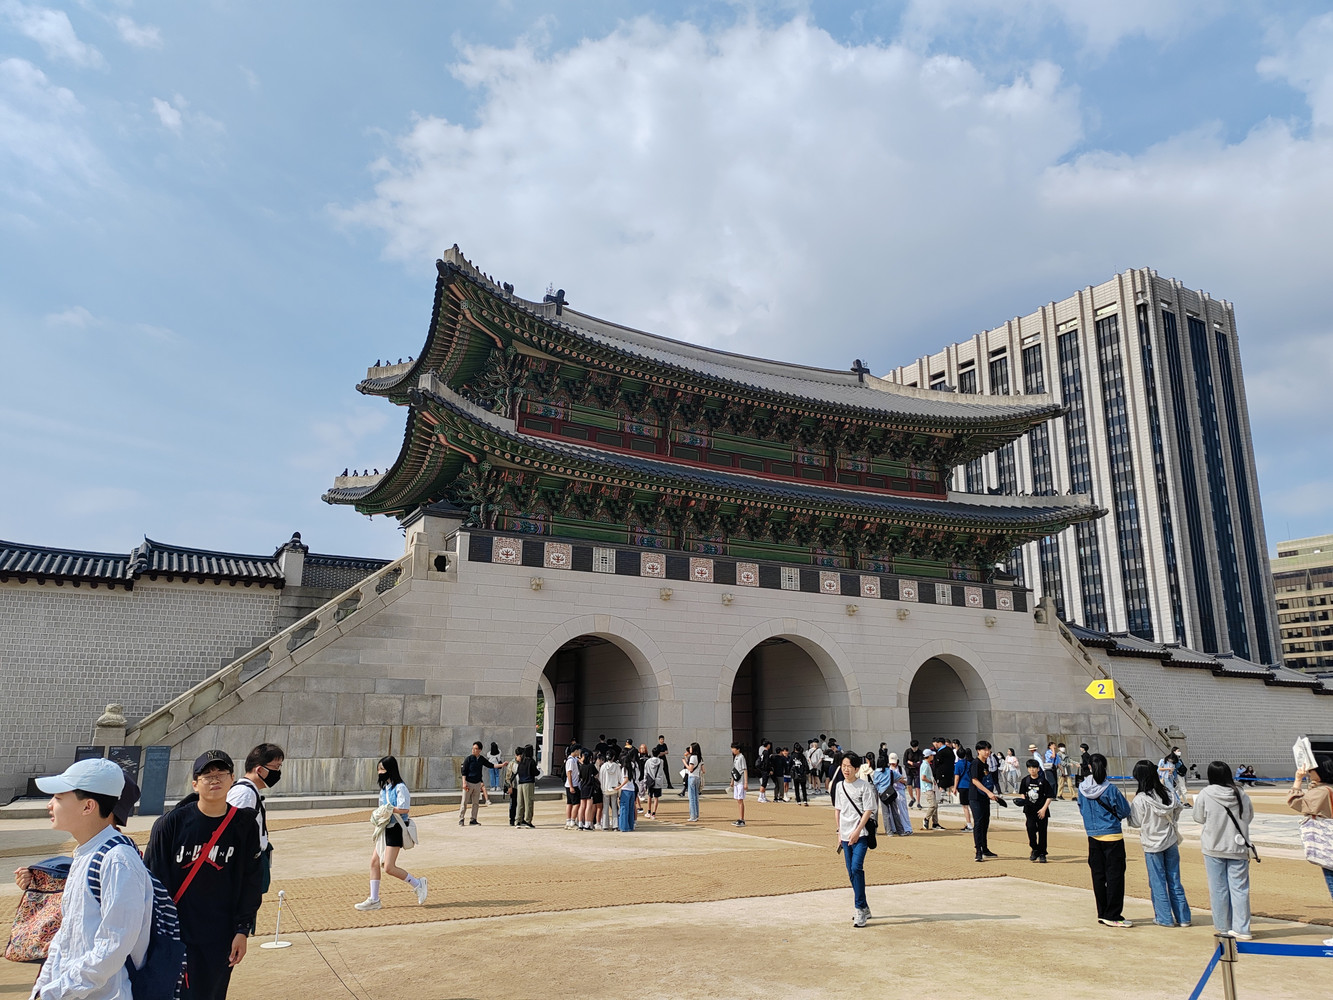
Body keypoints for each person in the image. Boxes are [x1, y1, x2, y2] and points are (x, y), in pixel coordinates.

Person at [29, 758, 154, 1000]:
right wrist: (43, 988)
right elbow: (65, 936)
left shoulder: (117, 860)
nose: (49, 805)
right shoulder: (86, 853)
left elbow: (112, 948)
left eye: (59, 797)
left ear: (88, 806)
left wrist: (56, 992)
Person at [146, 750, 262, 999]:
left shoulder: (244, 825)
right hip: (177, 932)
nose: (215, 779)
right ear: (195, 784)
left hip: (221, 934)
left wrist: (242, 929)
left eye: (221, 773)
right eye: (207, 775)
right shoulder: (170, 824)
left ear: (232, 779)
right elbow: (153, 880)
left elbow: (250, 881)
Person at [354, 755, 427, 911]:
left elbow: (405, 809)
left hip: (396, 828)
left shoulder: (400, 787)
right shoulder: (385, 788)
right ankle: (374, 899)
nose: (380, 772)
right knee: (374, 862)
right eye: (379, 769)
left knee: (389, 867)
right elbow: (382, 807)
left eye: (382, 769)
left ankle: (418, 883)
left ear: (390, 769)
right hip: (385, 827)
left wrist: (389, 809)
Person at [1193, 760, 1255, 940]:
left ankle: (1223, 926)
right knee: (1240, 889)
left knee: (1218, 888)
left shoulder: (1205, 793)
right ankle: (1242, 928)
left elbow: (1198, 818)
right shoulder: (1240, 793)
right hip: (1237, 846)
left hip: (1213, 846)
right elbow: (1248, 816)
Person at [1128, 759, 1191, 927]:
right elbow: (1177, 810)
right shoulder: (1168, 793)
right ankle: (1183, 917)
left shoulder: (1140, 799)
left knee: (1157, 882)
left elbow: (1136, 822)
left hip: (1152, 843)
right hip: (1170, 840)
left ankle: (1164, 917)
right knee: (1174, 879)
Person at [226, 741, 283, 926]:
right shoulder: (244, 794)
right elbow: (232, 833)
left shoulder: (251, 792)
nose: (278, 772)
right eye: (276, 767)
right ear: (259, 769)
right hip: (243, 868)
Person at [1076, 752, 1133, 928]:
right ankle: (1113, 914)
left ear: (1089, 767)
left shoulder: (1082, 788)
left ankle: (1102, 912)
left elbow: (1081, 809)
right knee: (1115, 876)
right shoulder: (1110, 789)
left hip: (1093, 835)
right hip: (1112, 835)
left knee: (1098, 875)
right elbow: (1124, 811)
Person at [1287, 756, 1333, 946]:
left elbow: (1296, 803)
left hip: (1328, 845)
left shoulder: (1322, 792)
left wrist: (1298, 780)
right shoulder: (1327, 789)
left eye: (1311, 770)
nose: (1308, 772)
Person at [834, 752, 877, 928]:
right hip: (845, 835)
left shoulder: (864, 786)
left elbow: (868, 810)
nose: (846, 770)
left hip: (861, 835)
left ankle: (859, 909)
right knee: (850, 872)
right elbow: (838, 810)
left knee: (856, 868)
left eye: (849, 767)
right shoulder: (839, 786)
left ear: (857, 769)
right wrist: (839, 832)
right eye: (843, 766)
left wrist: (857, 831)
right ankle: (864, 906)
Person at [969, 742, 1002, 861]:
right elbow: (975, 780)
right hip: (976, 797)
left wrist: (989, 793)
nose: (987, 752)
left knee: (985, 822)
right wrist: (988, 792)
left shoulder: (985, 764)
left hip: (984, 797)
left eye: (988, 750)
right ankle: (978, 851)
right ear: (978, 750)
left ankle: (985, 848)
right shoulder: (975, 763)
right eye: (984, 750)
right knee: (978, 823)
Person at [1015, 758, 1052, 862]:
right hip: (1029, 810)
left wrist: (1044, 809)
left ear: (1038, 769)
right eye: (1030, 768)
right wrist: (1023, 801)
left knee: (1042, 832)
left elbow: (1049, 796)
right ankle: (1035, 849)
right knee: (1030, 828)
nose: (1032, 769)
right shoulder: (1025, 780)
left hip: (1041, 810)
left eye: (1034, 767)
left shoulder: (1043, 781)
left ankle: (1042, 853)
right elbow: (1022, 793)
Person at [459, 741, 503, 826]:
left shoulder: (481, 759)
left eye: (476, 749)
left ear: (480, 750)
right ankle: (461, 818)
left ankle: (473, 819)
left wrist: (501, 765)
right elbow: (464, 772)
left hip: (477, 783)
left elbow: (490, 765)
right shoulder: (468, 759)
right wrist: (464, 783)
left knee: (475, 803)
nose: (473, 750)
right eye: (473, 748)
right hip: (468, 782)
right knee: (464, 801)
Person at [615, 749, 639, 832]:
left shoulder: (624, 769)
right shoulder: (632, 767)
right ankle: (630, 825)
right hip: (632, 790)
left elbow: (626, 779)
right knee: (630, 809)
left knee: (624, 809)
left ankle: (624, 827)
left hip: (625, 790)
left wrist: (619, 787)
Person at [598, 750, 623, 830]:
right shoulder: (617, 766)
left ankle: (605, 825)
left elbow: (601, 778)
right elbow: (620, 778)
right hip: (614, 788)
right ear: (613, 757)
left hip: (605, 789)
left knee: (605, 807)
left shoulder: (603, 766)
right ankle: (615, 825)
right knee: (614, 807)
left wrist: (602, 788)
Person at [515, 745, 538, 828]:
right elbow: (535, 772)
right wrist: (538, 772)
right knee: (528, 803)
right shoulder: (531, 761)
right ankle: (528, 821)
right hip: (528, 783)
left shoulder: (521, 761)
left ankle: (518, 820)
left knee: (520, 803)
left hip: (520, 783)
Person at [919, 748, 942, 831]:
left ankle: (935, 823)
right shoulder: (925, 765)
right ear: (928, 756)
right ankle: (926, 819)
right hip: (927, 787)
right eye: (931, 755)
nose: (933, 756)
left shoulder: (926, 764)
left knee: (935, 805)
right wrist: (931, 781)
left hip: (930, 787)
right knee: (933, 805)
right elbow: (923, 777)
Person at [643, 747, 666, 819]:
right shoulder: (661, 761)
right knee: (656, 797)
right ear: (659, 753)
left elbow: (645, 772)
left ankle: (649, 811)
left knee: (649, 796)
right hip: (658, 781)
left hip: (650, 781)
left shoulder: (648, 761)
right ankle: (654, 813)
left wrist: (645, 781)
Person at [954, 747, 973, 831]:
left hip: (962, 786)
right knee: (972, 806)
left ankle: (969, 824)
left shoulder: (958, 764)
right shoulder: (969, 763)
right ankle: (977, 823)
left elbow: (957, 777)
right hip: (970, 786)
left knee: (965, 807)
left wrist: (955, 787)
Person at [730, 742, 748, 826]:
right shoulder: (736, 757)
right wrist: (732, 781)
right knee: (738, 800)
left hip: (741, 781)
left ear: (738, 749)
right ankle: (740, 818)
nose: (732, 750)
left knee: (740, 800)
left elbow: (744, 770)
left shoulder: (741, 757)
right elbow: (735, 770)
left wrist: (746, 782)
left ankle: (742, 819)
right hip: (736, 781)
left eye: (733, 748)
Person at [565, 744, 582, 827]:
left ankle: (569, 820)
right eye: (579, 750)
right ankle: (572, 820)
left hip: (572, 784)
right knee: (576, 803)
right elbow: (569, 773)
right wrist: (571, 786)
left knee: (570, 803)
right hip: (572, 784)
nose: (580, 752)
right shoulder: (570, 761)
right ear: (576, 751)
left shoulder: (574, 759)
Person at [933, 739, 955, 806]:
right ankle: (955, 797)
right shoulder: (950, 750)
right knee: (950, 784)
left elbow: (938, 762)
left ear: (940, 743)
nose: (936, 745)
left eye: (937, 743)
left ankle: (940, 799)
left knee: (941, 785)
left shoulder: (941, 752)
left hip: (942, 771)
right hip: (950, 770)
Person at [685, 742, 703, 822]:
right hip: (697, 777)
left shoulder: (693, 757)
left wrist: (684, 763)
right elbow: (703, 769)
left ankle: (693, 816)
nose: (690, 749)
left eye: (691, 748)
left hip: (692, 777)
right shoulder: (700, 758)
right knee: (696, 797)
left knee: (691, 797)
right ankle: (696, 814)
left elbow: (690, 768)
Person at [903, 741, 922, 807]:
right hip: (909, 771)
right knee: (909, 785)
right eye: (913, 747)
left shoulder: (920, 752)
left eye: (915, 747)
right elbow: (905, 762)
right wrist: (911, 765)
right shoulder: (907, 751)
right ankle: (912, 798)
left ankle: (918, 802)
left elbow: (920, 762)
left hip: (916, 771)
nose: (914, 749)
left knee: (917, 787)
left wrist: (912, 763)